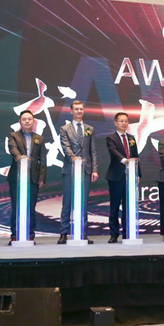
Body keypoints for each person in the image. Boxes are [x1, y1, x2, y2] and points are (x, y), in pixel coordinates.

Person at [59, 101, 98, 244]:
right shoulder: (65, 129)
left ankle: (82, 232)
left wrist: (94, 169)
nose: (79, 111)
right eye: (76, 109)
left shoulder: (89, 129)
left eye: (81, 109)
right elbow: (66, 147)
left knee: (83, 203)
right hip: (70, 169)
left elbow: (92, 150)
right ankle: (63, 233)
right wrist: (74, 158)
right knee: (67, 203)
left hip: (85, 170)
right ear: (71, 111)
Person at [6, 110, 47, 245]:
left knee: (31, 207)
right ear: (20, 121)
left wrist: (42, 177)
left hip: (33, 177)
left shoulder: (39, 138)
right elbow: (13, 149)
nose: (27, 121)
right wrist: (20, 158)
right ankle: (15, 235)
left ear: (33, 121)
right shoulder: (13, 136)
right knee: (16, 206)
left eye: (29, 119)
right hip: (16, 177)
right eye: (24, 119)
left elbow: (42, 159)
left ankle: (30, 234)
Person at [105, 112, 141, 243]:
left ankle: (127, 232)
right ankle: (114, 233)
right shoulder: (111, 138)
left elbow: (136, 156)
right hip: (116, 176)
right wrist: (124, 160)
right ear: (115, 123)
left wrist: (138, 174)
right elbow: (113, 152)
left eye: (126, 121)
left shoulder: (131, 138)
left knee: (128, 206)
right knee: (114, 206)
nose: (124, 123)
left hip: (130, 177)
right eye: (121, 121)